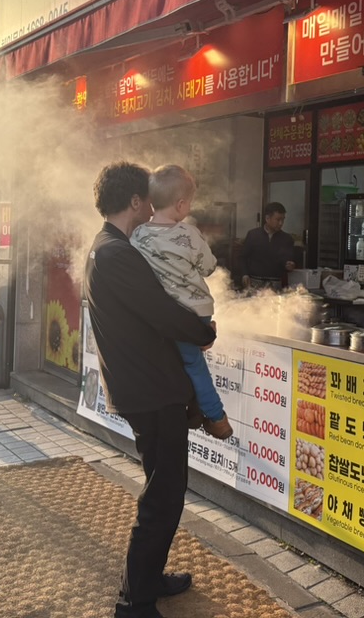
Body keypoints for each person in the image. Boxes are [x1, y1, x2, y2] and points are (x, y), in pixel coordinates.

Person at [84, 161, 217, 618]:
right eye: (148, 198)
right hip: (150, 389)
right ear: (136, 201)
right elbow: (161, 311)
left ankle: (148, 579)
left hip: (142, 385)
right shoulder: (117, 254)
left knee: (162, 486)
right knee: (163, 496)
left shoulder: (108, 247)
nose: (153, 207)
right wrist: (203, 331)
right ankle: (134, 602)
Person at [131, 165, 233, 441]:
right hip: (196, 313)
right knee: (193, 364)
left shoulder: (138, 235)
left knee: (183, 363)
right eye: (189, 202)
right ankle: (217, 418)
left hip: (166, 316)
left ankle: (199, 411)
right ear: (180, 204)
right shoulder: (190, 234)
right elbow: (209, 267)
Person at [240, 201, 296, 288]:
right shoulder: (253, 235)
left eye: (283, 219)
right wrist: (244, 274)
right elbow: (243, 257)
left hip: (275, 283)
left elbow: (289, 260)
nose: (281, 223)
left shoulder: (287, 238)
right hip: (254, 281)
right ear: (267, 218)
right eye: (278, 219)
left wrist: (290, 265)